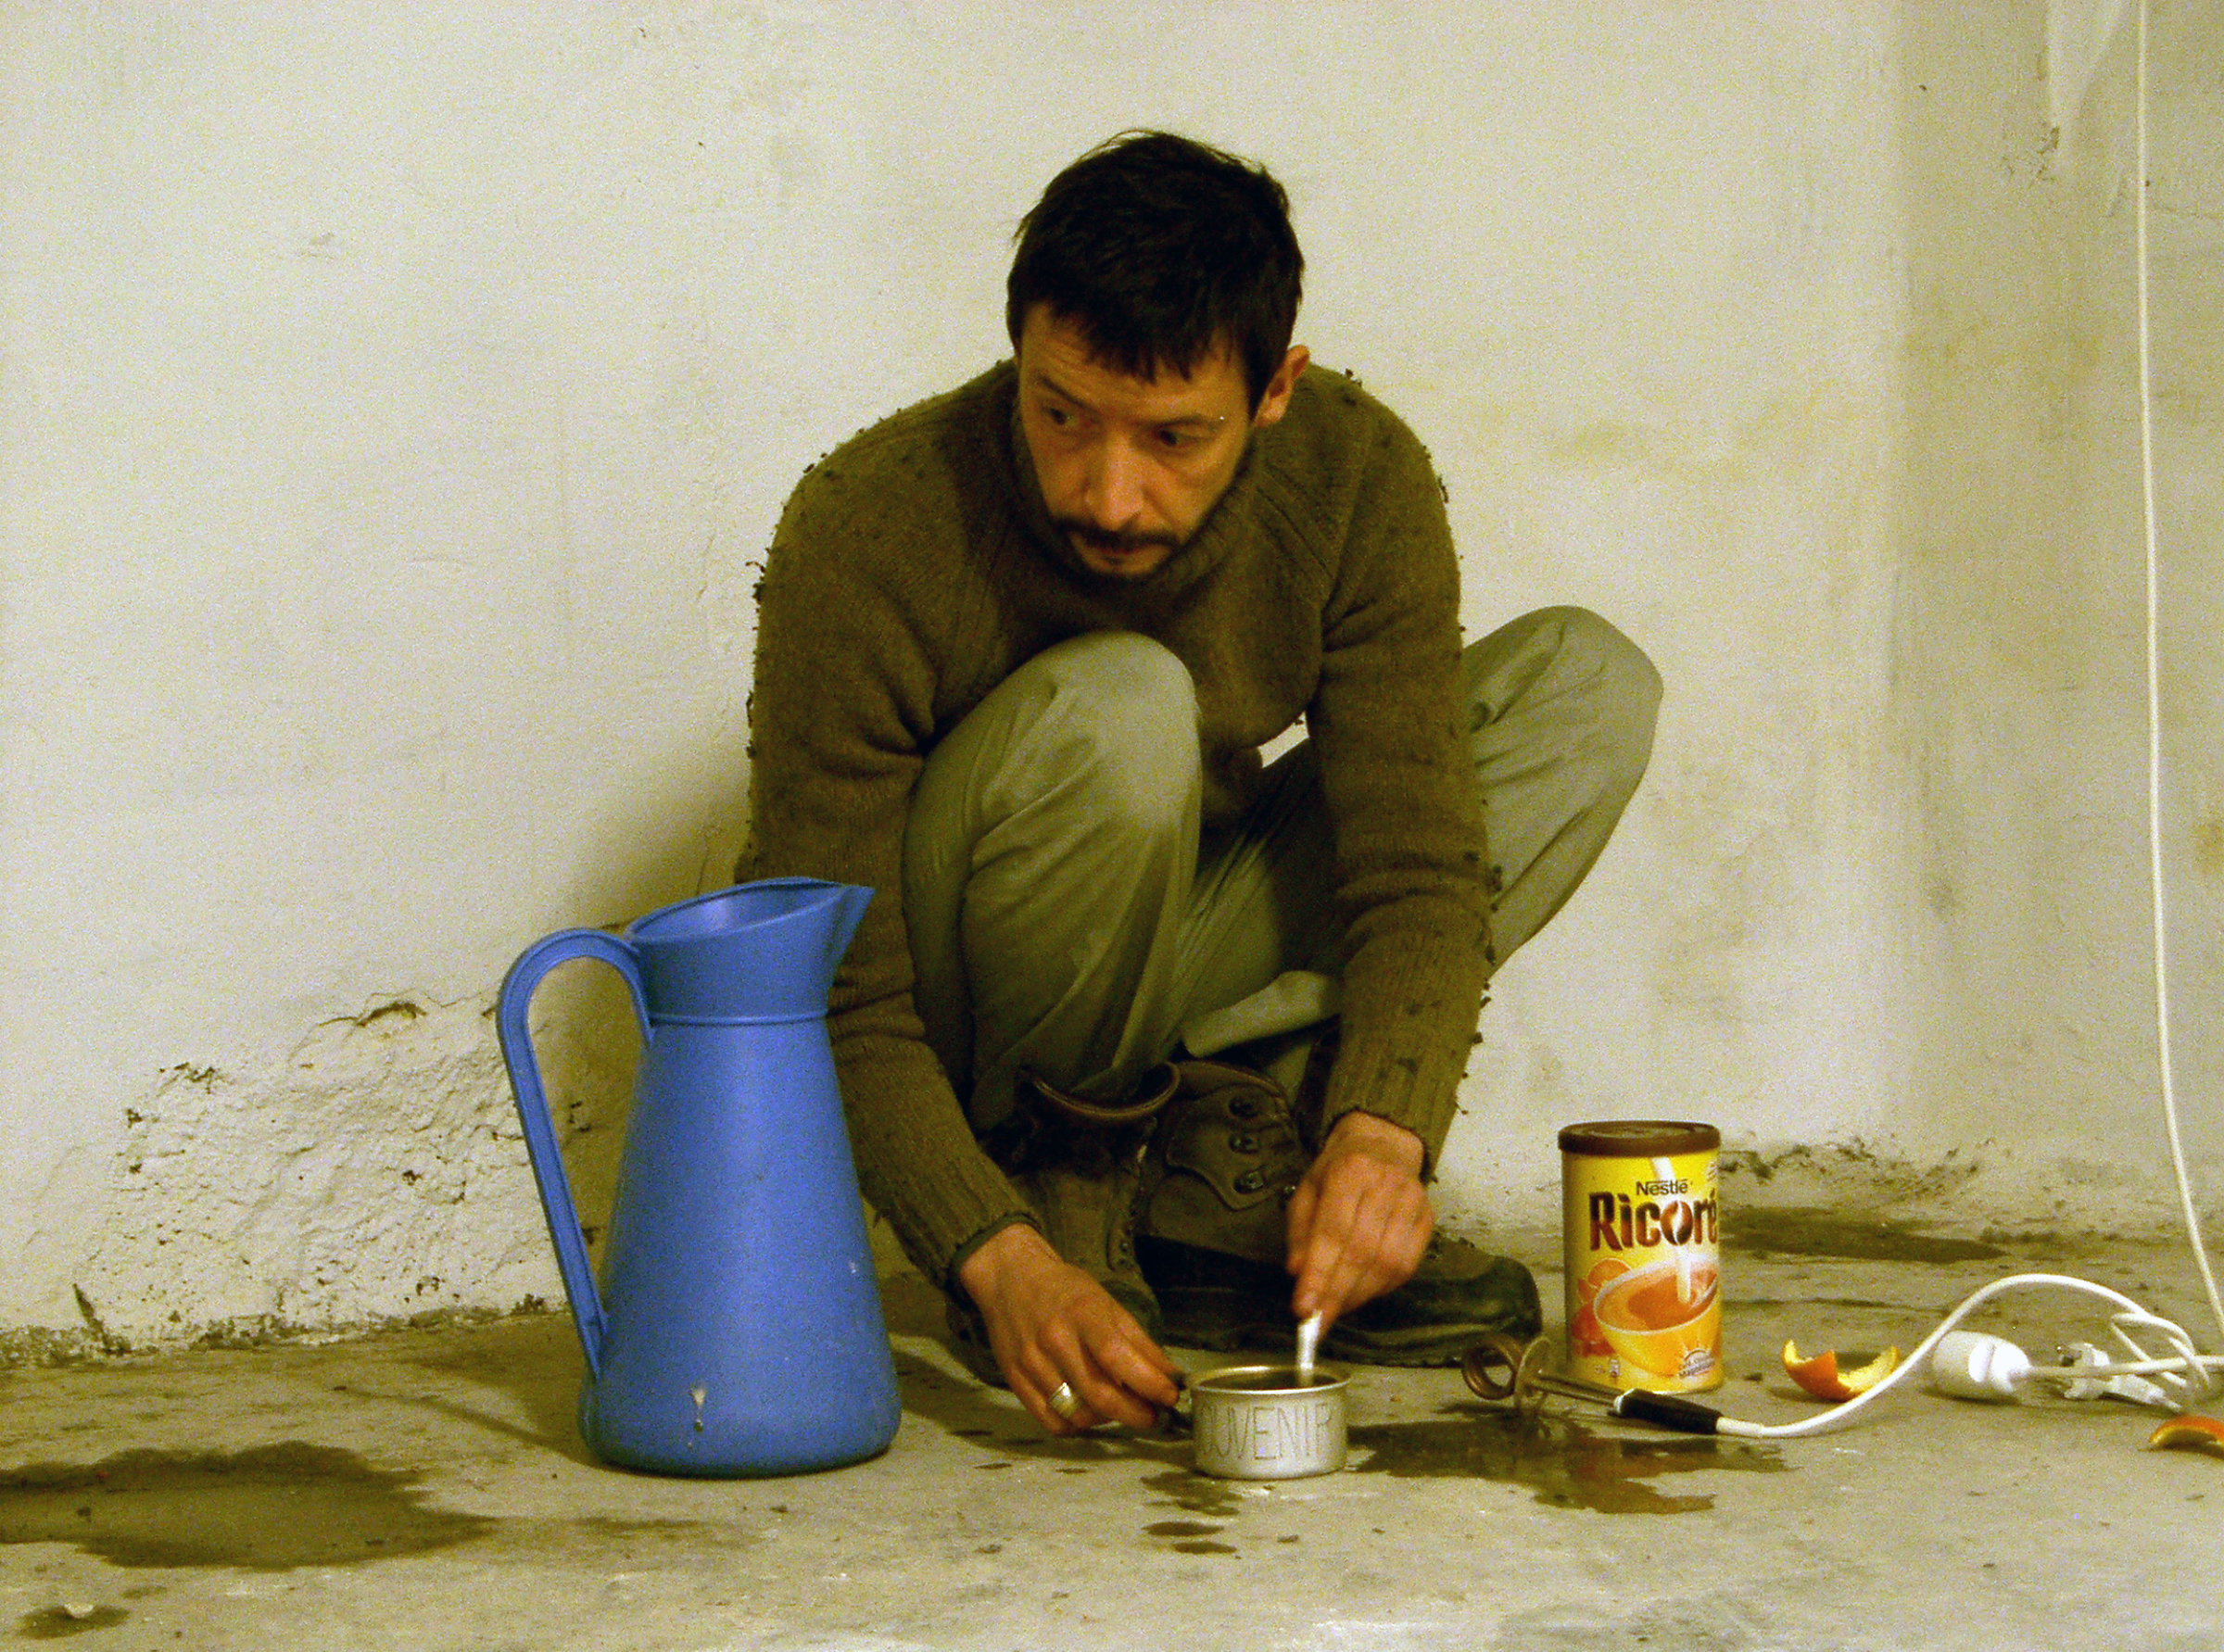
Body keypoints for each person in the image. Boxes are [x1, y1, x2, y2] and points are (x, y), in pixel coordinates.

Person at [739, 131, 1660, 1436]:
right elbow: (832, 983)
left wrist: (1382, 1137)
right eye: (1061, 414)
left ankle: (1217, 1177)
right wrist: (992, 1253)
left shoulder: (1355, 477)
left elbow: (1415, 867)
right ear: (1016, 349)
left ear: (1276, 389)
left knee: (1586, 686)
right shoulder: (869, 525)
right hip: (975, 1014)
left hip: (1169, 937)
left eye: (1176, 436)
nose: (1112, 495)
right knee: (1125, 703)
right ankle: (1061, 1177)